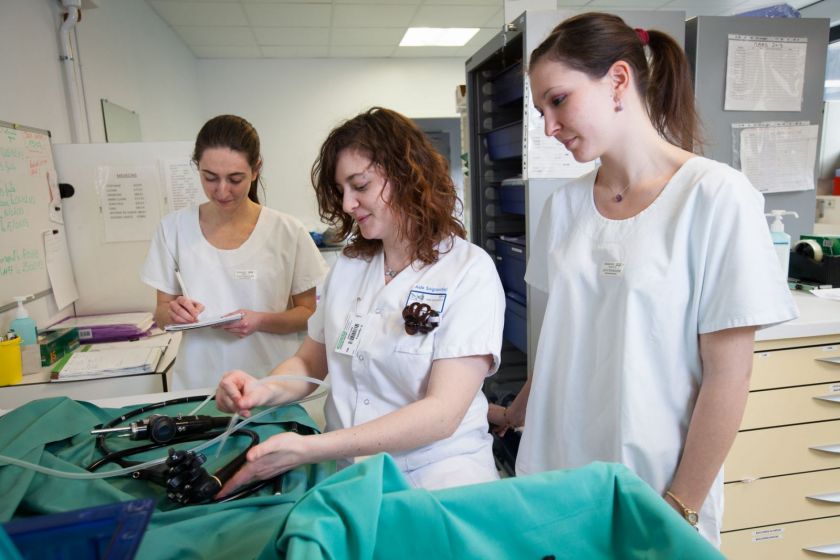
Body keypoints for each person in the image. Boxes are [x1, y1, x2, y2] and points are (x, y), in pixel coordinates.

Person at [487, 13, 798, 544]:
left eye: (558, 101)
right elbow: (565, 339)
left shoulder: (716, 197)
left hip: (654, 488)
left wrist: (678, 509)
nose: (548, 127)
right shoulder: (563, 207)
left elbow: (728, 376)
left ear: (618, 81)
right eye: (540, 111)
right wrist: (513, 413)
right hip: (553, 475)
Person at [215, 107, 504, 494]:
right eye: (342, 190)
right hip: (351, 473)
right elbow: (308, 361)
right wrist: (261, 389)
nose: (349, 203)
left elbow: (442, 414)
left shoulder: (468, 271)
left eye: (361, 186)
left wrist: (310, 449)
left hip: (436, 476)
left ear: (407, 176)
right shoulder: (351, 265)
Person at [141, 115, 328, 390]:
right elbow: (161, 314)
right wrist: (174, 313)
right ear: (198, 168)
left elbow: (308, 314)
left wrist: (260, 320)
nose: (222, 190)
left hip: (271, 382)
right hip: (199, 382)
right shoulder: (173, 229)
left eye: (235, 179)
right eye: (210, 177)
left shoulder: (287, 231)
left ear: (255, 170)